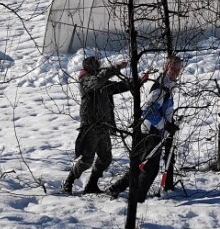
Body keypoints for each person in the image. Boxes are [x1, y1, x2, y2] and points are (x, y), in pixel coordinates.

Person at [61, 56, 147, 195]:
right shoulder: (86, 80)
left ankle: (91, 185)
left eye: (97, 64)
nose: (97, 66)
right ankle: (69, 182)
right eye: (94, 64)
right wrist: (115, 67)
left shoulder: (103, 81)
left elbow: (119, 86)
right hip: (90, 126)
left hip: (104, 126)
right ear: (87, 67)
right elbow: (97, 82)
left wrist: (138, 81)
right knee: (86, 161)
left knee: (105, 158)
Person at [106, 55, 183, 202]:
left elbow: (164, 109)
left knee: (141, 165)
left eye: (178, 70)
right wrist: (165, 126)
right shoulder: (160, 86)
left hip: (152, 130)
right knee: (149, 169)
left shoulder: (168, 85)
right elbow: (148, 110)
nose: (175, 72)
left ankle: (116, 188)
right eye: (173, 68)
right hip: (150, 131)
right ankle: (136, 199)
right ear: (166, 67)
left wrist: (169, 125)